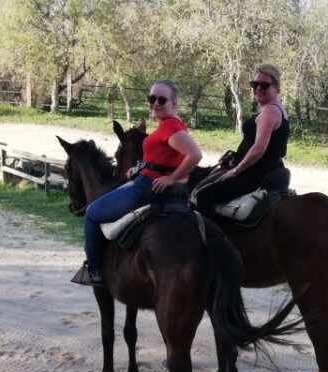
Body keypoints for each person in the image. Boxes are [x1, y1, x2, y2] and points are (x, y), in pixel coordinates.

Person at [78, 80, 202, 286]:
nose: (155, 103)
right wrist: (139, 168)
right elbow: (165, 158)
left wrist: (170, 178)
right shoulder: (170, 125)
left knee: (91, 214)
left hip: (145, 188)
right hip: (146, 178)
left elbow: (195, 155)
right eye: (151, 98)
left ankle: (95, 271)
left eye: (162, 99)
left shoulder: (171, 128)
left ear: (174, 103)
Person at [194, 63, 289, 216]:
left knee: (203, 196)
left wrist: (236, 170)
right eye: (254, 84)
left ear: (276, 88)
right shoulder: (273, 107)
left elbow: (259, 149)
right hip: (265, 168)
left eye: (264, 85)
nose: (258, 88)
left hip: (257, 173)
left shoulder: (270, 111)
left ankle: (214, 239)